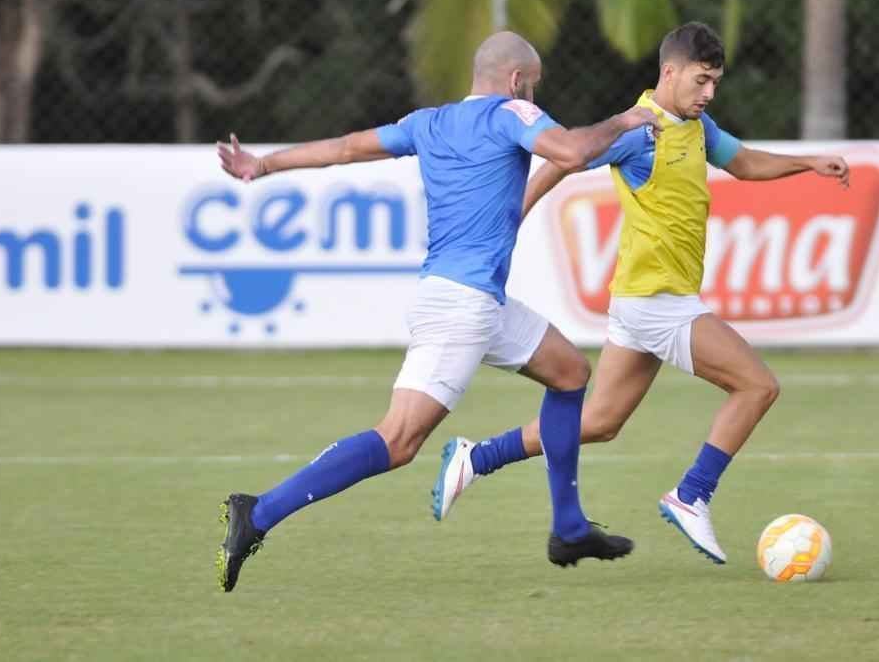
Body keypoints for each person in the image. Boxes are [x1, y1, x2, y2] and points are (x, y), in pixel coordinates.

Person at [213, 31, 660, 592]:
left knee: (570, 372)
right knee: (399, 440)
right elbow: (569, 152)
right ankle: (259, 512)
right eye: (535, 85)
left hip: (474, 300)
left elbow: (349, 147)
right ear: (518, 80)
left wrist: (265, 165)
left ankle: (568, 527)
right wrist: (623, 121)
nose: (536, 95)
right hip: (460, 309)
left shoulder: (430, 121)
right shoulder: (512, 112)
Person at [431, 22, 850, 565]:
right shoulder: (639, 130)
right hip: (658, 300)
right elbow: (566, 158)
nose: (708, 93)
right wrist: (517, 211)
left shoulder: (698, 126)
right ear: (669, 72)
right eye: (701, 81)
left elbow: (742, 163)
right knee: (757, 387)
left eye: (715, 83)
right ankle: (692, 494)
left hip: (640, 300)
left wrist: (808, 164)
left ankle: (477, 457)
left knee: (600, 423)